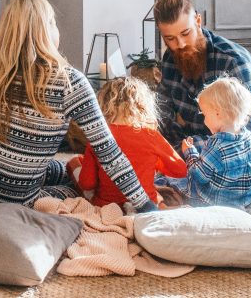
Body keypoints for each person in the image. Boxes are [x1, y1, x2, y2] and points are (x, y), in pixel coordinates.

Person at [0, 0, 157, 213]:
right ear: (45, 31)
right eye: (53, 22)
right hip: (12, 200)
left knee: (63, 168)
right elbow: (108, 151)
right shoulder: (69, 81)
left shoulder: (3, 74)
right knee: (79, 189)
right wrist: (146, 205)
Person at [154, 0, 251, 148]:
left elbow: (248, 132)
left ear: (198, 21)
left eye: (186, 33)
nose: (180, 44)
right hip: (196, 149)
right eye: (170, 38)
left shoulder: (233, 61)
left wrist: (194, 148)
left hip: (246, 152)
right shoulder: (170, 59)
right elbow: (162, 116)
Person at [74, 76, 187, 208]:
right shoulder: (151, 135)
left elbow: (87, 183)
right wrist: (153, 162)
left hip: (106, 206)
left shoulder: (99, 137)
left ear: (102, 105)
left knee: (74, 162)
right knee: (165, 195)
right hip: (146, 205)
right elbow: (180, 170)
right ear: (143, 106)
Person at [158, 76, 251, 209]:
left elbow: (200, 176)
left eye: (205, 114)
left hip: (212, 201)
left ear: (218, 114)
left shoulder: (216, 145)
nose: (204, 120)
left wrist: (190, 152)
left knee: (171, 179)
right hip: (242, 198)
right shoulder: (249, 138)